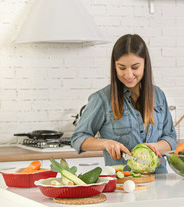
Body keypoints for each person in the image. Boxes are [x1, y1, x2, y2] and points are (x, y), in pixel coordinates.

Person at [71, 34, 176, 174]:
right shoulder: (102, 99)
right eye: (122, 68)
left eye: (135, 67)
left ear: (145, 65)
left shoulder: (158, 95)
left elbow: (170, 138)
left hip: (159, 183)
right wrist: (105, 143)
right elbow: (78, 138)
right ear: (114, 66)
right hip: (123, 184)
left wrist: (155, 147)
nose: (128, 74)